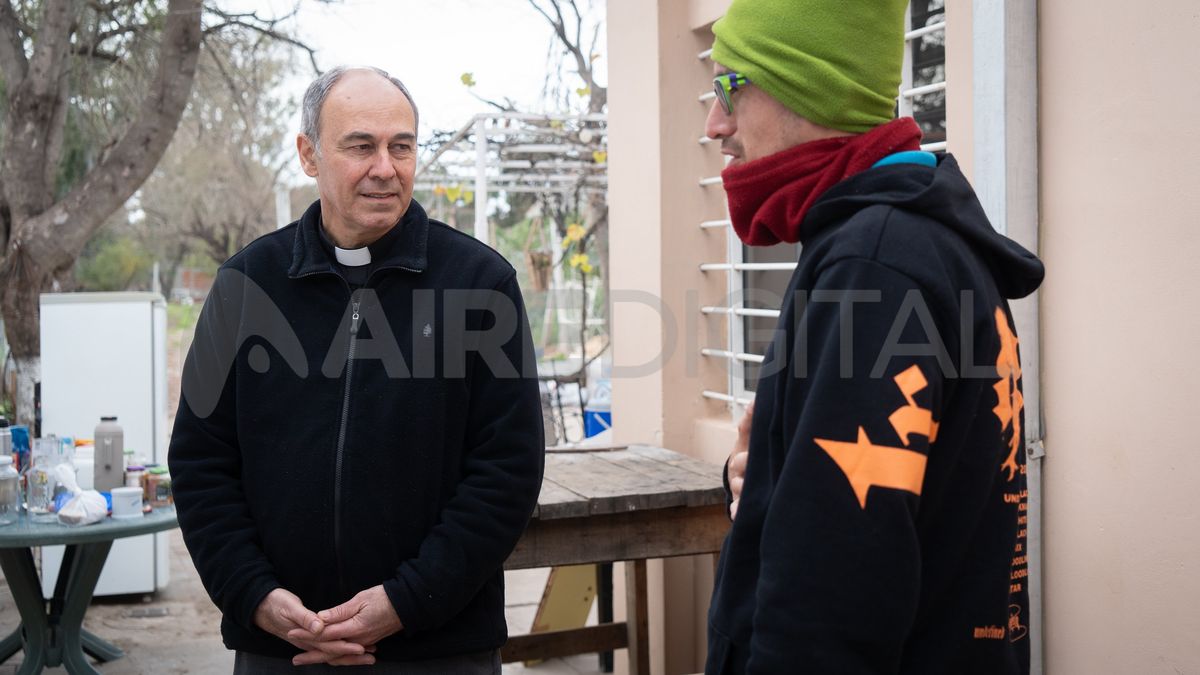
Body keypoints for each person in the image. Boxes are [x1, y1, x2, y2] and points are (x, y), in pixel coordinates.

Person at [703, 2, 1044, 673]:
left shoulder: (874, 263)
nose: (716, 123)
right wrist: (770, 481)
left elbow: (828, 605)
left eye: (729, 87)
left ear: (812, 85)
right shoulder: (918, 243)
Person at [169, 65, 545, 673]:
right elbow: (200, 459)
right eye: (361, 146)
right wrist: (253, 595)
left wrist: (407, 600)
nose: (385, 168)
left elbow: (508, 469)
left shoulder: (480, 284)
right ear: (308, 155)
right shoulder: (246, 284)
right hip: (282, 649)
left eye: (402, 147)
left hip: (439, 649)